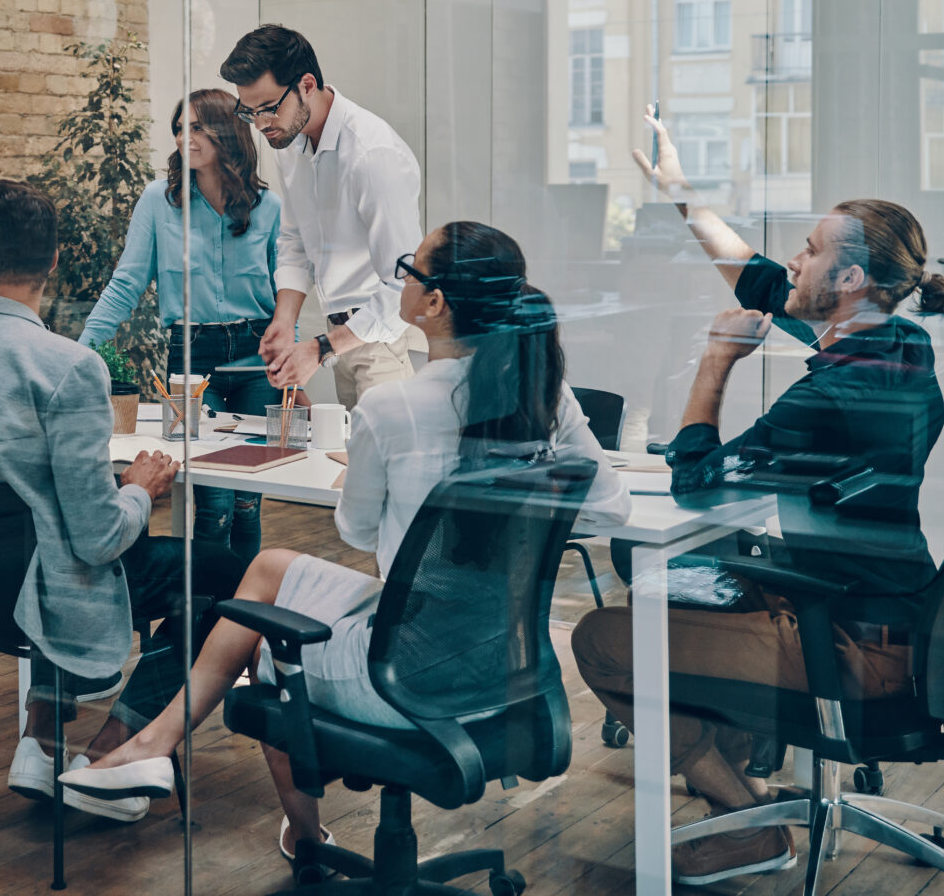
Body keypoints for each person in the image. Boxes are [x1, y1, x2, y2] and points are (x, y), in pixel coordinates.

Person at [60, 222, 631, 878]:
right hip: (505, 668)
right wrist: (516, 504)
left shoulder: (392, 407)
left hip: (405, 678)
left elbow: (357, 532)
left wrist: (388, 478)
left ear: (437, 303)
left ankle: (298, 836)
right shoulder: (544, 396)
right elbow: (610, 506)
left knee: (269, 644)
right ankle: (156, 743)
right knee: (267, 566)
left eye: (409, 270)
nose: (400, 281)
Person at [568, 110, 944, 886]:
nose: (793, 260)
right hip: (888, 612)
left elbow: (699, 483)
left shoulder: (833, 393)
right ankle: (750, 798)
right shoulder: (895, 341)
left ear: (850, 280)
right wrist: (678, 189)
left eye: (809, 251)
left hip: (851, 643)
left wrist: (717, 363)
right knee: (697, 593)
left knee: (606, 640)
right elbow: (757, 278)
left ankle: (744, 817)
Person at [0, 180, 249, 823]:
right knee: (228, 578)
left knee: (42, 543)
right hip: (36, 591)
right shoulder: (69, 366)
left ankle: (41, 740)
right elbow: (99, 539)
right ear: (52, 264)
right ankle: (117, 750)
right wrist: (138, 489)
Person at [76, 89, 282, 562]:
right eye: (179, 127)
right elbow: (127, 283)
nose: (183, 137)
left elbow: (285, 297)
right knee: (214, 504)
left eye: (196, 127)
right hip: (191, 358)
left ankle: (241, 615)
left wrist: (291, 363)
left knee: (249, 503)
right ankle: (209, 617)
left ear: (226, 133)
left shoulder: (268, 208)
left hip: (257, 358)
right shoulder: (158, 201)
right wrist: (80, 353)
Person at [219, 25, 424, 406]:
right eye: (250, 112)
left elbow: (405, 287)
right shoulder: (288, 142)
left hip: (381, 338)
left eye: (268, 108)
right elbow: (296, 243)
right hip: (337, 335)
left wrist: (319, 349)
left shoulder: (371, 154)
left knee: (382, 458)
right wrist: (283, 320)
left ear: (307, 85)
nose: (261, 124)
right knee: (345, 455)